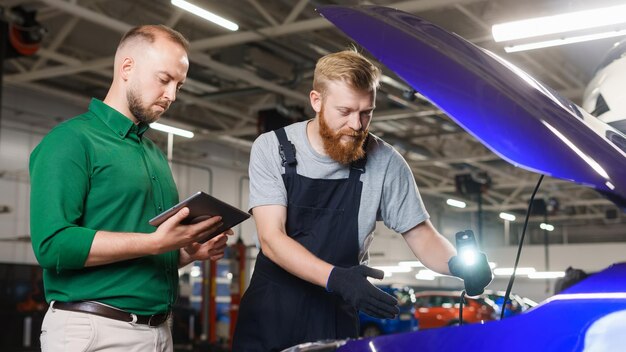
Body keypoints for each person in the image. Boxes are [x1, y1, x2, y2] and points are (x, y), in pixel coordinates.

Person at [233, 49, 492, 351]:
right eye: (345, 111)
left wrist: (458, 264)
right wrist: (336, 278)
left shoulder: (385, 161)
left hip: (335, 315)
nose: (357, 125)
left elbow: (421, 235)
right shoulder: (272, 148)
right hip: (270, 313)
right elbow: (271, 238)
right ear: (316, 101)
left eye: (366, 112)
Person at [29, 25, 232, 351]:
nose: (172, 95)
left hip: (159, 331)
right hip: (93, 330)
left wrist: (184, 251)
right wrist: (155, 243)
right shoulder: (71, 141)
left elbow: (140, 249)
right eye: (164, 79)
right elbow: (51, 245)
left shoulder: (152, 153)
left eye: (179, 85)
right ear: (127, 67)